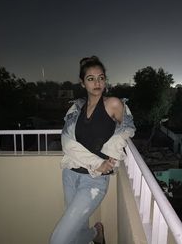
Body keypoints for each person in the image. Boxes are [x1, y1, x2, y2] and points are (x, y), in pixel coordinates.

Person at [49, 56, 135, 244]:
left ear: (105, 80)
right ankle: (95, 235)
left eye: (101, 77)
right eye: (90, 78)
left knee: (58, 240)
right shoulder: (76, 108)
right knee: (76, 230)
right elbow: (66, 141)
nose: (97, 82)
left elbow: (127, 128)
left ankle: (95, 233)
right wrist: (98, 162)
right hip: (70, 174)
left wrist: (110, 157)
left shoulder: (113, 103)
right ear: (82, 83)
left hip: (94, 181)